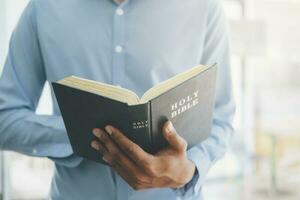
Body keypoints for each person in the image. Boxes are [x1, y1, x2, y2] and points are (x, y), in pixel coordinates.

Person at [0, 0, 235, 199]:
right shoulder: (44, 8)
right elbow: (5, 117)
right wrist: (82, 134)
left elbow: (221, 118)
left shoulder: (203, 7)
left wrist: (189, 171)